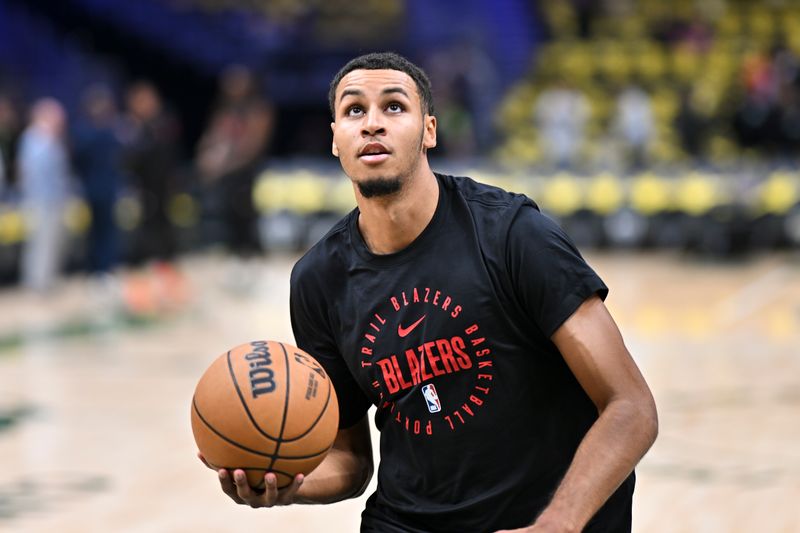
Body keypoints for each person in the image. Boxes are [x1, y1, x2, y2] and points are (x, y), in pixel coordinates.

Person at [199, 52, 658, 532]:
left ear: (429, 131)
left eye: (394, 107)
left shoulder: (512, 235)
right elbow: (351, 462)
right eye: (354, 110)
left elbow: (631, 406)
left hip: (540, 518)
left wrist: (558, 523)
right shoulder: (318, 280)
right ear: (335, 138)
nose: (372, 123)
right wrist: (290, 484)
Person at [17, 98, 72, 292]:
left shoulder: (52, 139)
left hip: (54, 198)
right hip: (39, 198)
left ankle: (47, 280)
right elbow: (32, 171)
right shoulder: (33, 138)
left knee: (52, 242)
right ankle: (36, 282)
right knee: (39, 242)